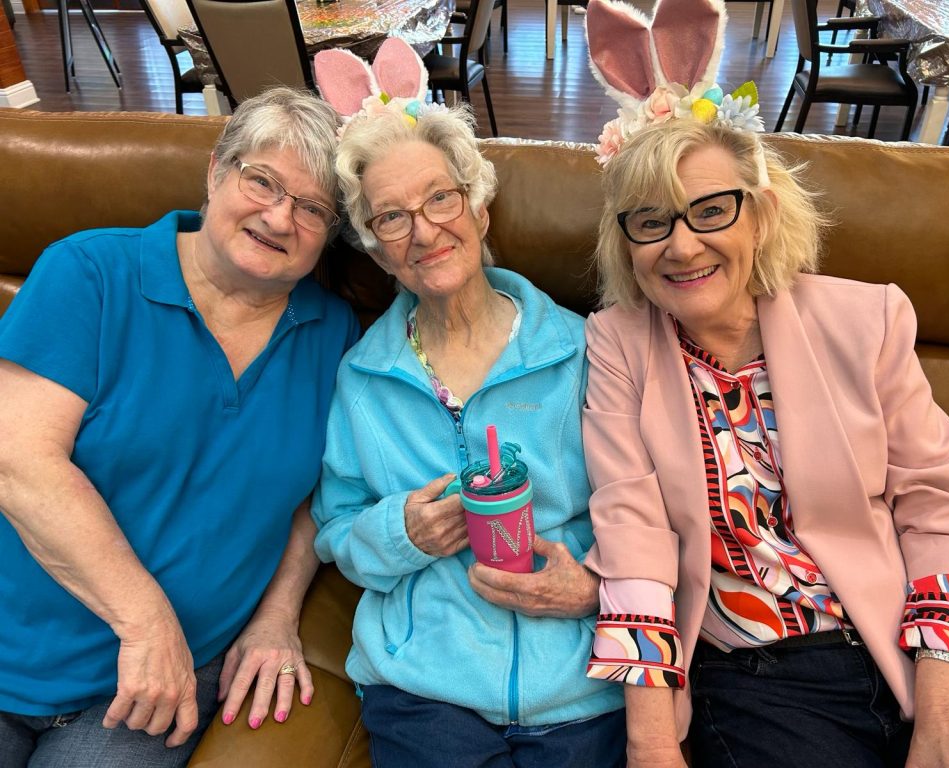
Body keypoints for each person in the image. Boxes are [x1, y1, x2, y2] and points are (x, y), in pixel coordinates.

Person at [579, 2, 949, 763]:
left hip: (918, 642)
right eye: (650, 221)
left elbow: (937, 506)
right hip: (758, 677)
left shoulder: (869, 318)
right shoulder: (618, 344)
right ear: (626, 243)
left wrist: (948, 716)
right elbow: (634, 539)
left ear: (760, 215)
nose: (681, 246)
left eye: (710, 211)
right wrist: (651, 745)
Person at [0, 87, 361, 767]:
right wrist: (146, 622)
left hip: (159, 692)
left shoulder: (333, 332)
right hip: (19, 649)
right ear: (217, 170)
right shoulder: (91, 273)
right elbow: (18, 460)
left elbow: (323, 493)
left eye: (313, 208)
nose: (279, 217)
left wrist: (277, 612)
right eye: (262, 181)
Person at [311, 39, 625, 768]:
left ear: (479, 209)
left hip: (581, 684)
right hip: (425, 692)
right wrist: (402, 532)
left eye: (440, 198)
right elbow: (337, 526)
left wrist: (593, 588)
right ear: (376, 250)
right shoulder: (364, 378)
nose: (424, 231)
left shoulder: (585, 351)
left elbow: (651, 509)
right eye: (392, 218)